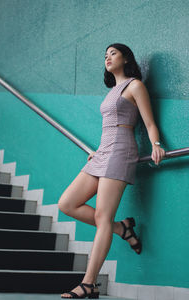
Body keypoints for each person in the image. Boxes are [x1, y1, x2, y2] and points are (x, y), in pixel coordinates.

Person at [58, 43, 166, 298]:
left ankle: (89, 283)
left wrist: (156, 144)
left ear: (126, 57)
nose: (107, 57)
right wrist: (97, 149)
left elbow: (149, 122)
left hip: (120, 152)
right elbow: (109, 126)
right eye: (105, 55)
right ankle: (123, 229)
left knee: (102, 218)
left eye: (113, 53)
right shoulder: (111, 92)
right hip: (103, 151)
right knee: (67, 203)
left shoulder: (135, 85)